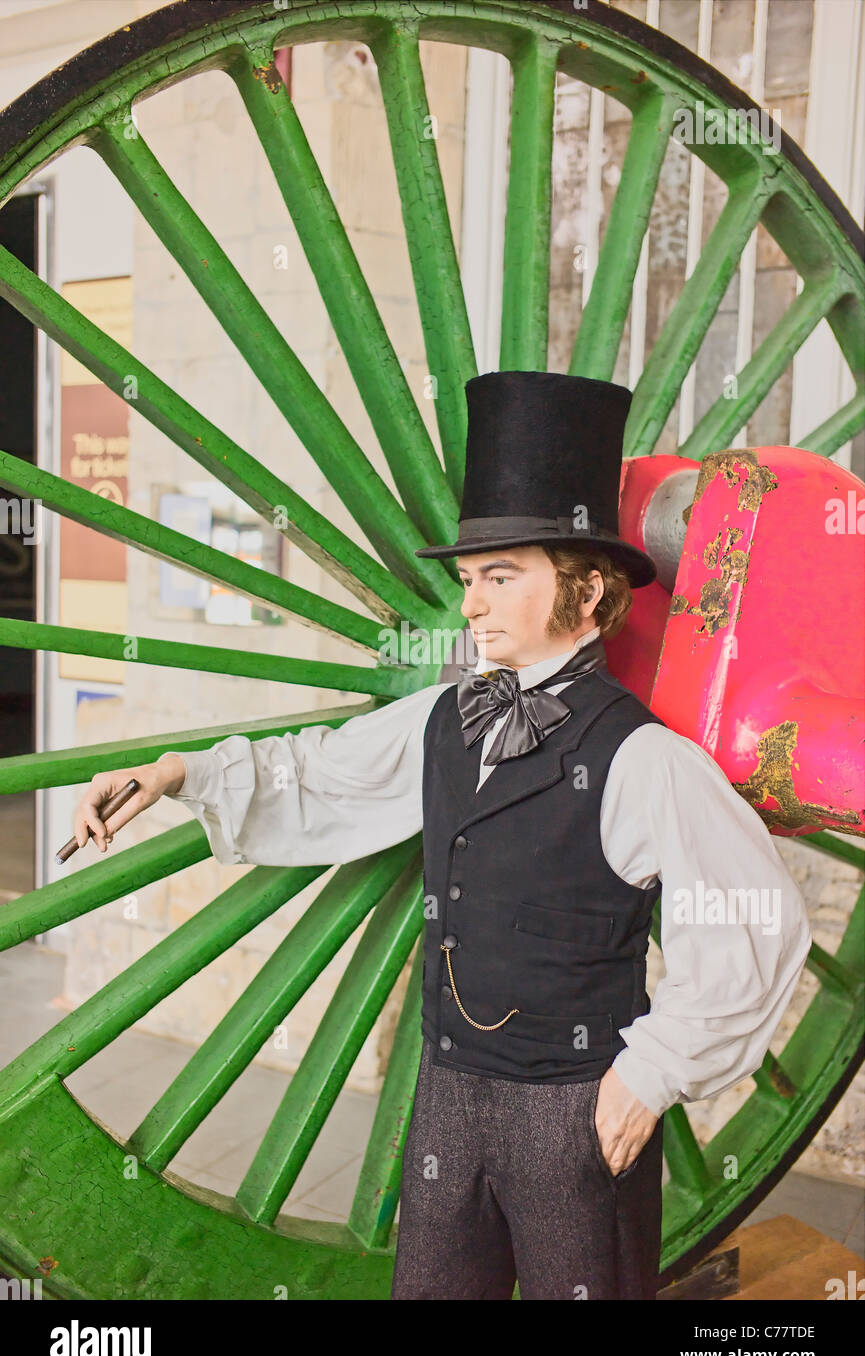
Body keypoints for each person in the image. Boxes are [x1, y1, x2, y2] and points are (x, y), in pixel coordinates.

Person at [72, 372, 812, 1300]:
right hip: (450, 1090)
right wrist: (176, 772)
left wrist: (651, 1073)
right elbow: (323, 770)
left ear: (587, 593)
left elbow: (750, 914)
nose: (472, 605)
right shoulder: (441, 720)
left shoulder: (644, 759)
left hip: (572, 1102)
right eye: (469, 580)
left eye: (502, 578)